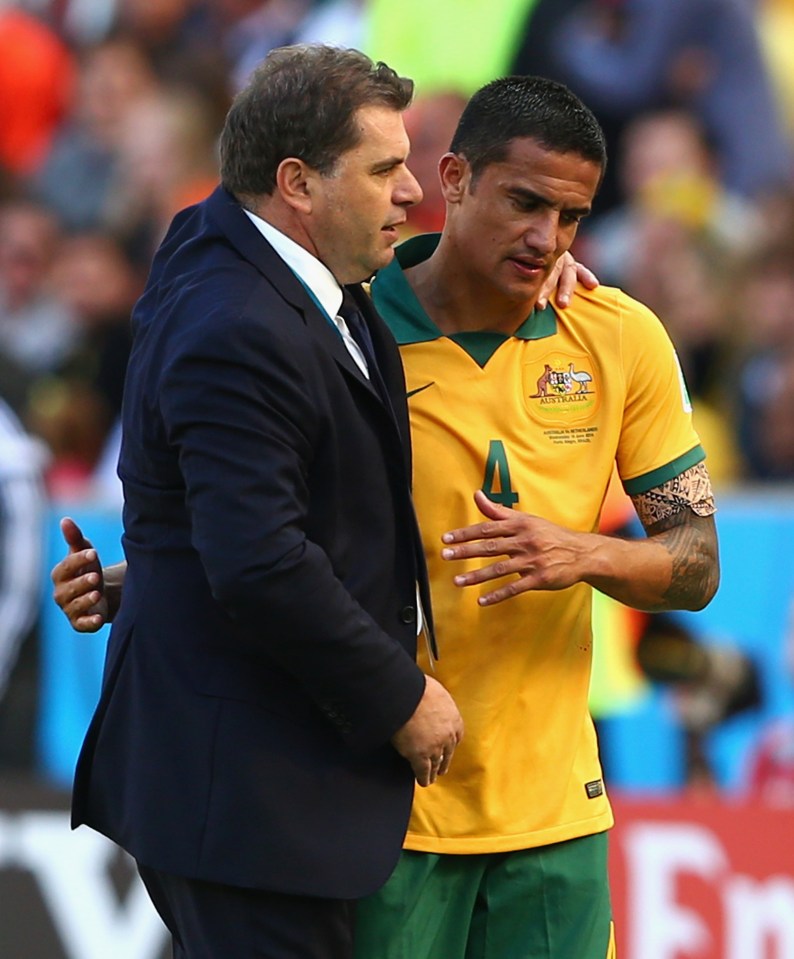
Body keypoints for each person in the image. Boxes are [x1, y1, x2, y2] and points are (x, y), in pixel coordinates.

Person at [53, 72, 719, 959]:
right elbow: (288, 536)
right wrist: (156, 575)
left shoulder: (618, 332)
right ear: (453, 178)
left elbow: (697, 560)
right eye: (523, 202)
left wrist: (582, 554)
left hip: (556, 812)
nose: (546, 236)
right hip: (386, 805)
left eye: (570, 217)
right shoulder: (347, 327)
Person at [54, 43, 467, 959]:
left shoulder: (239, 246)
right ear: (297, 184)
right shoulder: (238, 320)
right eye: (385, 169)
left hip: (257, 781)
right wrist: (402, 698)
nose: (410, 194)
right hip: (245, 792)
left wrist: (151, 571)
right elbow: (261, 560)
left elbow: (233, 512)